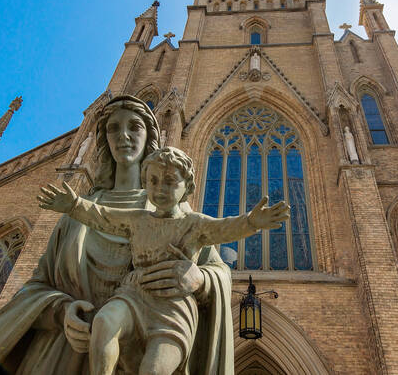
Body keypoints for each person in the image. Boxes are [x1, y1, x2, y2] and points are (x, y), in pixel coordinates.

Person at [0, 96, 235, 374]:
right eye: (113, 128)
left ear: (152, 135)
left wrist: (200, 279)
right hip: (60, 356)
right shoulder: (76, 214)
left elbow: (217, 270)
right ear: (102, 138)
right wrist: (61, 311)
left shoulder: (174, 213)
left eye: (134, 127)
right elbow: (35, 287)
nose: (123, 136)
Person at [39, 148, 288, 374]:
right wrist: (73, 205)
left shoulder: (194, 223)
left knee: (154, 370)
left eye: (170, 182)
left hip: (172, 308)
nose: (160, 189)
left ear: (188, 187)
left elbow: (225, 228)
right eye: (153, 181)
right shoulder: (137, 219)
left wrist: (252, 222)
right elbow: (102, 217)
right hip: (134, 294)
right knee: (104, 323)